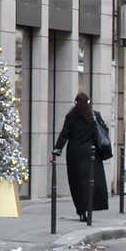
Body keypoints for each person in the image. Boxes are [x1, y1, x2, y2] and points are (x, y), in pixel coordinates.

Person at [53, 92, 108, 220]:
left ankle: (81, 210)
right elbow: (104, 130)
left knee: (77, 183)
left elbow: (64, 135)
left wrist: (57, 149)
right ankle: (89, 208)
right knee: (90, 183)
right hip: (91, 154)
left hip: (74, 154)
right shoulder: (94, 116)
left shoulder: (70, 117)